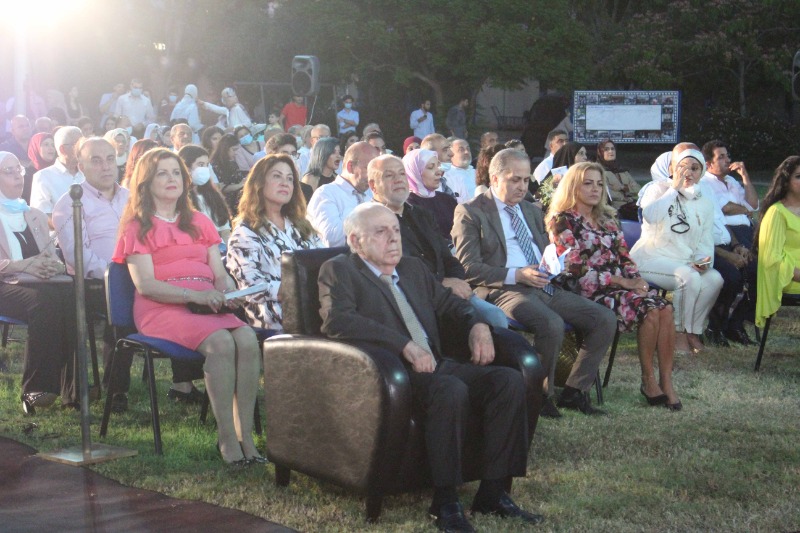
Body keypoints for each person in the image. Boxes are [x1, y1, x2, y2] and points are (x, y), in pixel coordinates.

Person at [318, 202, 543, 531]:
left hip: (436, 364)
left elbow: (450, 305)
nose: (393, 239)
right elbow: (338, 320)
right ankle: (446, 501)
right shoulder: (340, 270)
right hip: (389, 375)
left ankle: (493, 493)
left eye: (395, 230)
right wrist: (403, 345)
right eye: (381, 232)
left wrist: (478, 326)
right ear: (355, 241)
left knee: (507, 382)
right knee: (449, 389)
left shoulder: (412, 268)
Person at [112, 147, 263, 466]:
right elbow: (146, 285)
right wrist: (193, 296)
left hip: (206, 303)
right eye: (162, 173)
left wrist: (230, 291)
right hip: (161, 307)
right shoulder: (137, 226)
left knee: (248, 338)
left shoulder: (199, 221)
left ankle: (246, 436)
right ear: (146, 182)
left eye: (176, 172)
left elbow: (219, 273)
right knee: (221, 343)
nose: (172, 179)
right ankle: (227, 439)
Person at [452, 148, 617, 417]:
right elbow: (467, 268)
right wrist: (517, 274)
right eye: (514, 179)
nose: (522, 186)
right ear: (495, 179)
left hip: (544, 284)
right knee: (550, 324)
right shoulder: (471, 211)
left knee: (604, 318)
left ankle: (575, 391)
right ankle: (539, 395)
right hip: (503, 289)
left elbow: (544, 250)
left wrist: (557, 263)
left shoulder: (530, 209)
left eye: (526, 180)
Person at [546, 162, 681, 410]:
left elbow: (624, 257)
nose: (595, 189)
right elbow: (575, 270)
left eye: (599, 184)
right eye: (588, 183)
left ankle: (666, 382)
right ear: (573, 186)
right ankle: (648, 380)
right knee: (651, 310)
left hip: (620, 288)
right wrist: (622, 281)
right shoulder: (562, 221)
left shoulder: (607, 218)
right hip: (586, 292)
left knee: (665, 308)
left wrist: (637, 281)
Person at [369, 154, 508, 329]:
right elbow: (397, 272)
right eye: (389, 175)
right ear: (373, 186)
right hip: (413, 301)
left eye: (401, 174)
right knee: (481, 326)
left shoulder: (422, 214)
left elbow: (447, 258)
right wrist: (441, 284)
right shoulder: (370, 223)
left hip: (449, 294)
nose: (398, 180)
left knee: (495, 317)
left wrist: (456, 281)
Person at [52, 137, 132, 412]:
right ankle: (116, 390)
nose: (106, 166)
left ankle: (183, 385)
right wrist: (118, 274)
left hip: (136, 276)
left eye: (110, 159)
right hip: (91, 284)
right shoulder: (70, 202)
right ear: (81, 166)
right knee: (122, 305)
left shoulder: (130, 198)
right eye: (96, 161)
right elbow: (78, 256)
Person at [0, 151, 75, 414]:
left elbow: (50, 255)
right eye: (8, 171)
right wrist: (25, 265)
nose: (17, 176)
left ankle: (72, 390)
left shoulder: (33, 214)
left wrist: (53, 266)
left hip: (39, 282)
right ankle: (36, 388)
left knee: (72, 296)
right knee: (45, 300)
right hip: (5, 284)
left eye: (19, 170)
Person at [629, 146, 723, 354]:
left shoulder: (704, 203)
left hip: (683, 261)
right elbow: (651, 216)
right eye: (683, 167)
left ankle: (692, 331)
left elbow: (705, 242)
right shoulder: (657, 189)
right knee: (687, 277)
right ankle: (678, 333)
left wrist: (703, 262)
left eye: (694, 168)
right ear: (673, 169)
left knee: (714, 278)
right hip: (650, 257)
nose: (688, 172)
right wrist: (674, 189)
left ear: (701, 173)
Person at [226, 154, 321, 330]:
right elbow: (251, 288)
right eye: (277, 176)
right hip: (275, 318)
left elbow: (324, 262)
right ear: (259, 184)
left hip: (316, 306)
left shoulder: (302, 226)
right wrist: (296, 288)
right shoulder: (245, 233)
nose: (285, 183)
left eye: (290, 179)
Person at [700, 140, 758, 345]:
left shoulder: (732, 181)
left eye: (728, 156)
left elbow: (753, 204)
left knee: (764, 273)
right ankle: (719, 326)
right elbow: (725, 209)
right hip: (730, 233)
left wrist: (745, 176)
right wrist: (746, 209)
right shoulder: (706, 183)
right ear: (709, 163)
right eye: (721, 157)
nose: (727, 160)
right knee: (743, 273)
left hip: (747, 232)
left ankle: (736, 323)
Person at [754, 155, 800, 328]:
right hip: (789, 279)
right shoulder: (777, 213)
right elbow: (772, 260)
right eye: (799, 176)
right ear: (786, 182)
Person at [307, 141, 378, 247]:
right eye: (368, 169)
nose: (373, 176)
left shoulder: (369, 198)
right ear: (351, 167)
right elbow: (332, 239)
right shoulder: (326, 193)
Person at [30, 126, 84, 227]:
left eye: (84, 144)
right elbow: (42, 215)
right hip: (62, 235)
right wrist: (74, 230)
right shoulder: (43, 177)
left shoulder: (88, 173)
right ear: (62, 149)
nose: (83, 149)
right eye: (78, 145)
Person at [178, 145, 231, 242]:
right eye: (200, 165)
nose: (205, 169)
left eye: (207, 165)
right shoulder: (179, 198)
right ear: (186, 167)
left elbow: (225, 228)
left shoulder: (213, 195)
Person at [402, 149, 458, 241]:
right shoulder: (408, 205)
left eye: (438, 166)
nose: (438, 172)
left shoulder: (447, 199)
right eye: (431, 167)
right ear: (414, 171)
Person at [596, 139, 640, 219]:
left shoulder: (622, 170)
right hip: (616, 209)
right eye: (606, 149)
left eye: (612, 149)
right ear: (601, 152)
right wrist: (626, 195)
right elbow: (607, 194)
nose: (611, 151)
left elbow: (638, 189)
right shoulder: (598, 171)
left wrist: (622, 187)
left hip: (631, 206)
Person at [211, 133, 247, 213]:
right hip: (228, 203)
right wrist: (240, 185)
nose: (236, 152)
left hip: (239, 200)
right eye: (234, 150)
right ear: (225, 149)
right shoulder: (216, 165)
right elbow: (223, 187)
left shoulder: (232, 162)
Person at [25, 132, 56, 203]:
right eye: (46, 144)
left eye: (53, 145)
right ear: (36, 147)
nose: (51, 148)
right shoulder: (27, 175)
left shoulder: (58, 171)